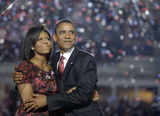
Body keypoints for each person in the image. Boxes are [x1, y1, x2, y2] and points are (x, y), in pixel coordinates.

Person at [14, 19, 103, 116]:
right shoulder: (53, 60)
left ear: (75, 37)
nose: (67, 36)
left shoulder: (86, 59)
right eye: (63, 32)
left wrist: (48, 100)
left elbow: (83, 94)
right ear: (55, 38)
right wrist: (21, 79)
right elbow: (37, 90)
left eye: (71, 32)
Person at [14, 25, 57, 116]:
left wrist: (47, 100)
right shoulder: (25, 67)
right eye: (40, 39)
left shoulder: (55, 68)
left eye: (48, 39)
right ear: (32, 46)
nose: (46, 42)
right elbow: (29, 103)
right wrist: (53, 99)